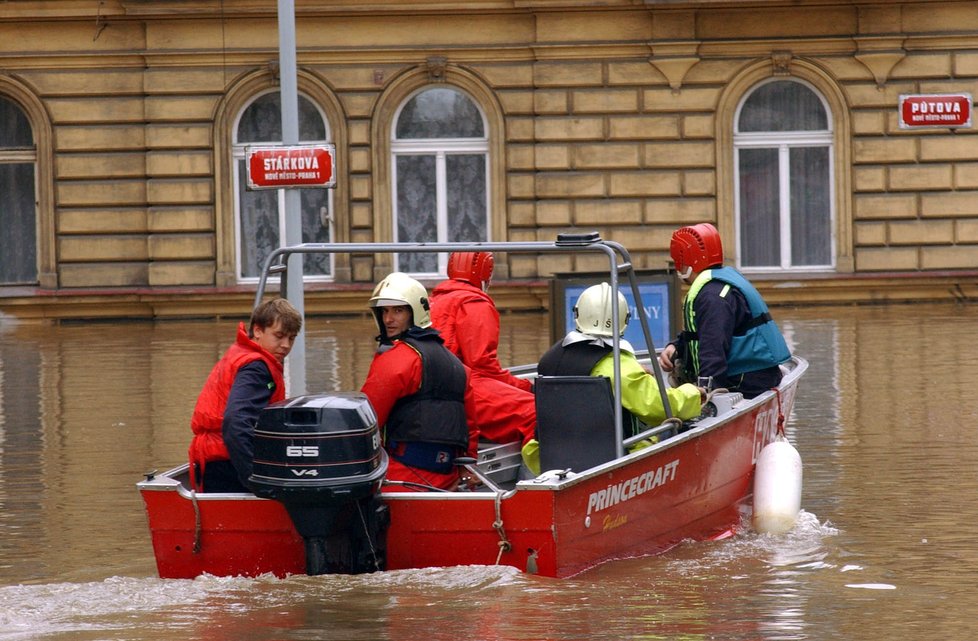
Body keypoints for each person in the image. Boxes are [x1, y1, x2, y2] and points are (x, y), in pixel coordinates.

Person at [538, 282, 703, 436]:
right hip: (612, 455)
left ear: (578, 313)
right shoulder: (617, 365)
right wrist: (694, 393)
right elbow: (659, 406)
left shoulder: (550, 358)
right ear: (624, 319)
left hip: (550, 455)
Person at [359, 272, 474, 492]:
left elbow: (367, 419)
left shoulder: (397, 360)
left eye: (398, 310)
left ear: (415, 312)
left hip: (403, 477)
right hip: (447, 478)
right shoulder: (458, 366)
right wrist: (467, 468)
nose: (388, 319)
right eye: (384, 311)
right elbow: (470, 428)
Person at [658, 222, 791, 399]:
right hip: (757, 375)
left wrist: (707, 395)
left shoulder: (712, 296)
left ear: (684, 260)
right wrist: (677, 346)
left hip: (745, 383)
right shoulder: (719, 285)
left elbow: (713, 348)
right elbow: (704, 333)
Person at [188, 298, 302, 493]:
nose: (285, 345)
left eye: (291, 338)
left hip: (214, 457)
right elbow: (235, 423)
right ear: (258, 331)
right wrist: (256, 480)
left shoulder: (241, 353)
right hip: (225, 463)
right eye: (279, 336)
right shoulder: (256, 368)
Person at [429, 251, 537, 446]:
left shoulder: (434, 301)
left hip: (438, 386)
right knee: (536, 411)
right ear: (486, 272)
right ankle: (541, 473)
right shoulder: (475, 303)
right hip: (463, 386)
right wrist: (526, 387)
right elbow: (481, 364)